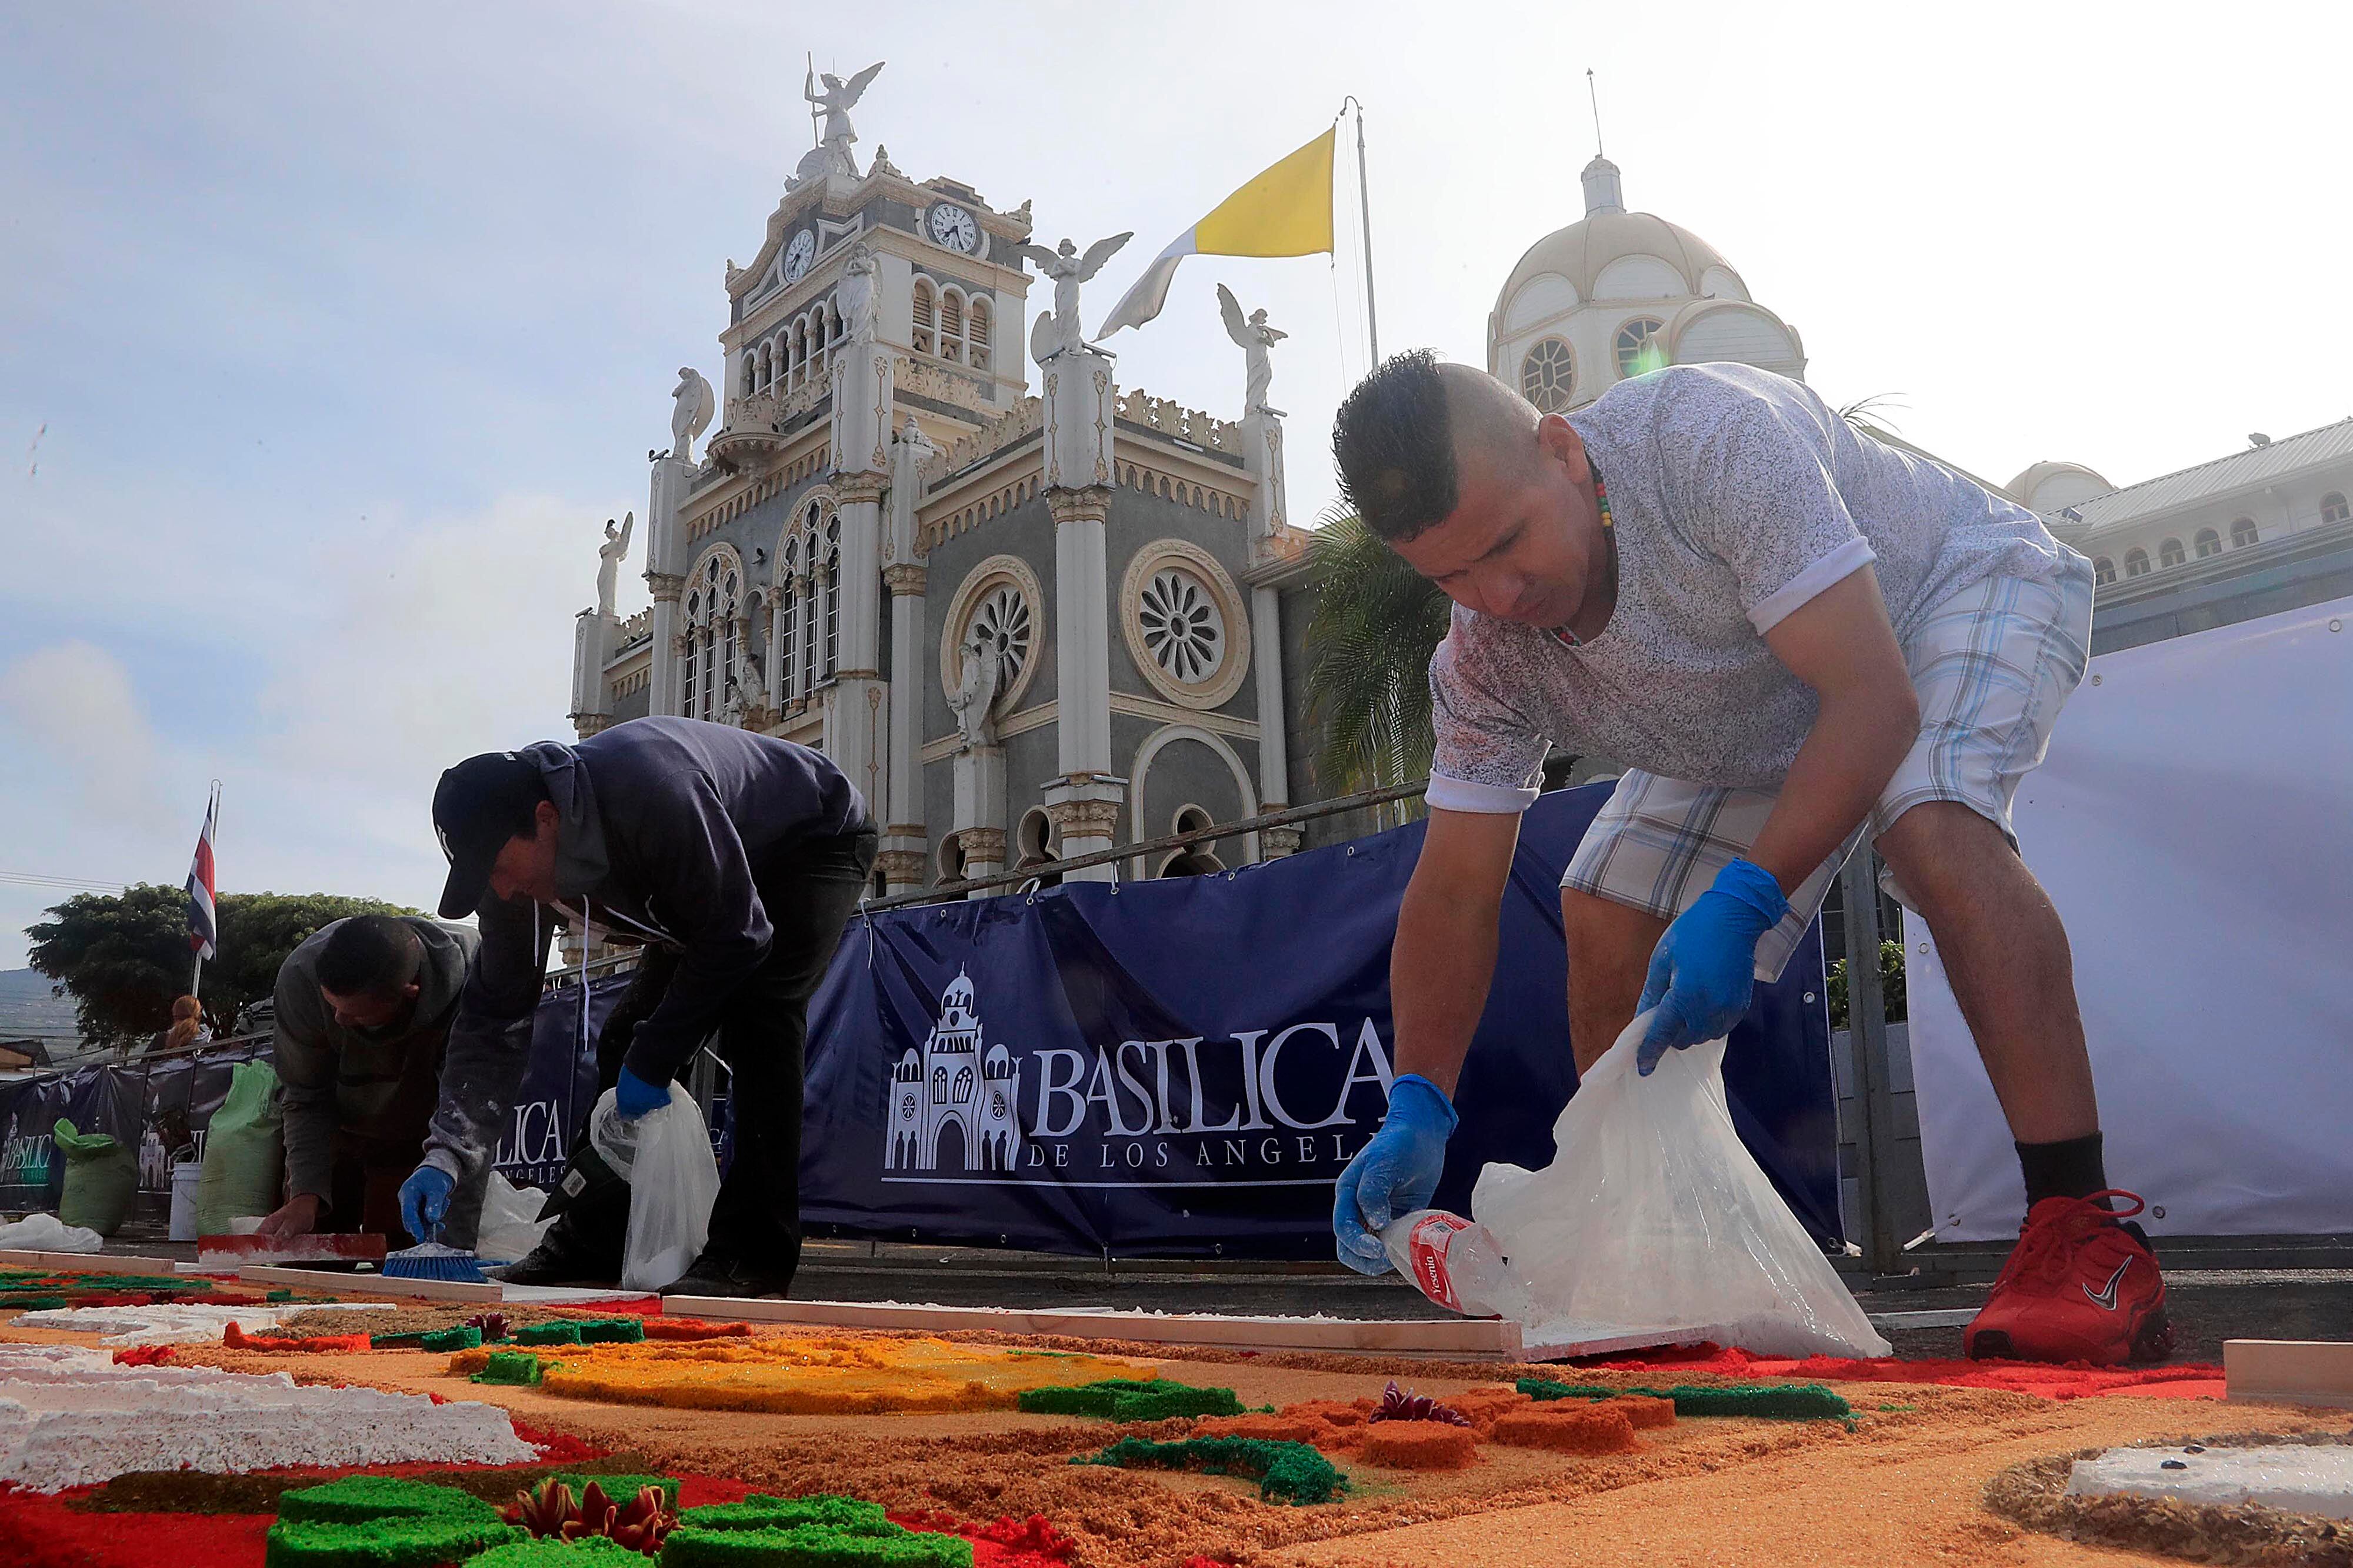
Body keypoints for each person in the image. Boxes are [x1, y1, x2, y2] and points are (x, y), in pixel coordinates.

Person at [1326, 352, 2168, 1366]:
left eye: (1508, 543)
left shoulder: (1707, 443)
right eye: (1451, 575)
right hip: (1765, 709)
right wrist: (1420, 1097)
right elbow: (1457, 887)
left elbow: (1875, 703)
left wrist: (1749, 892)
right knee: (1605, 906)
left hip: (1938, 598)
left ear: (1561, 447)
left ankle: (2084, 1235)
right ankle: (1661, 1266)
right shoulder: (1485, 654)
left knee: (1930, 818)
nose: (1497, 595)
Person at [398, 715, 876, 1298]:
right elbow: (496, 1015)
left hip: (808, 840)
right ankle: (592, 1238)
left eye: (499, 868)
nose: (499, 890)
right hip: (705, 881)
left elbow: (738, 936)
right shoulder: (512, 877)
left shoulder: (652, 791)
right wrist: (448, 1150)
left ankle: (752, 1253)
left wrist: (654, 1062)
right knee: (626, 1036)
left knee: (761, 1013)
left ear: (545, 821)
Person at [255, 915, 482, 1243]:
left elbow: (469, 1100)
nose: (338, 1019)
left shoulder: (475, 976)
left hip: (423, 1128)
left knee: (404, 1243)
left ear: (410, 993)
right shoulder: (301, 978)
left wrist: (443, 1161)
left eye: (356, 1013)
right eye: (332, 1005)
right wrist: (305, 1193)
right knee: (315, 1247)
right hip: (334, 1127)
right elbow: (305, 1096)